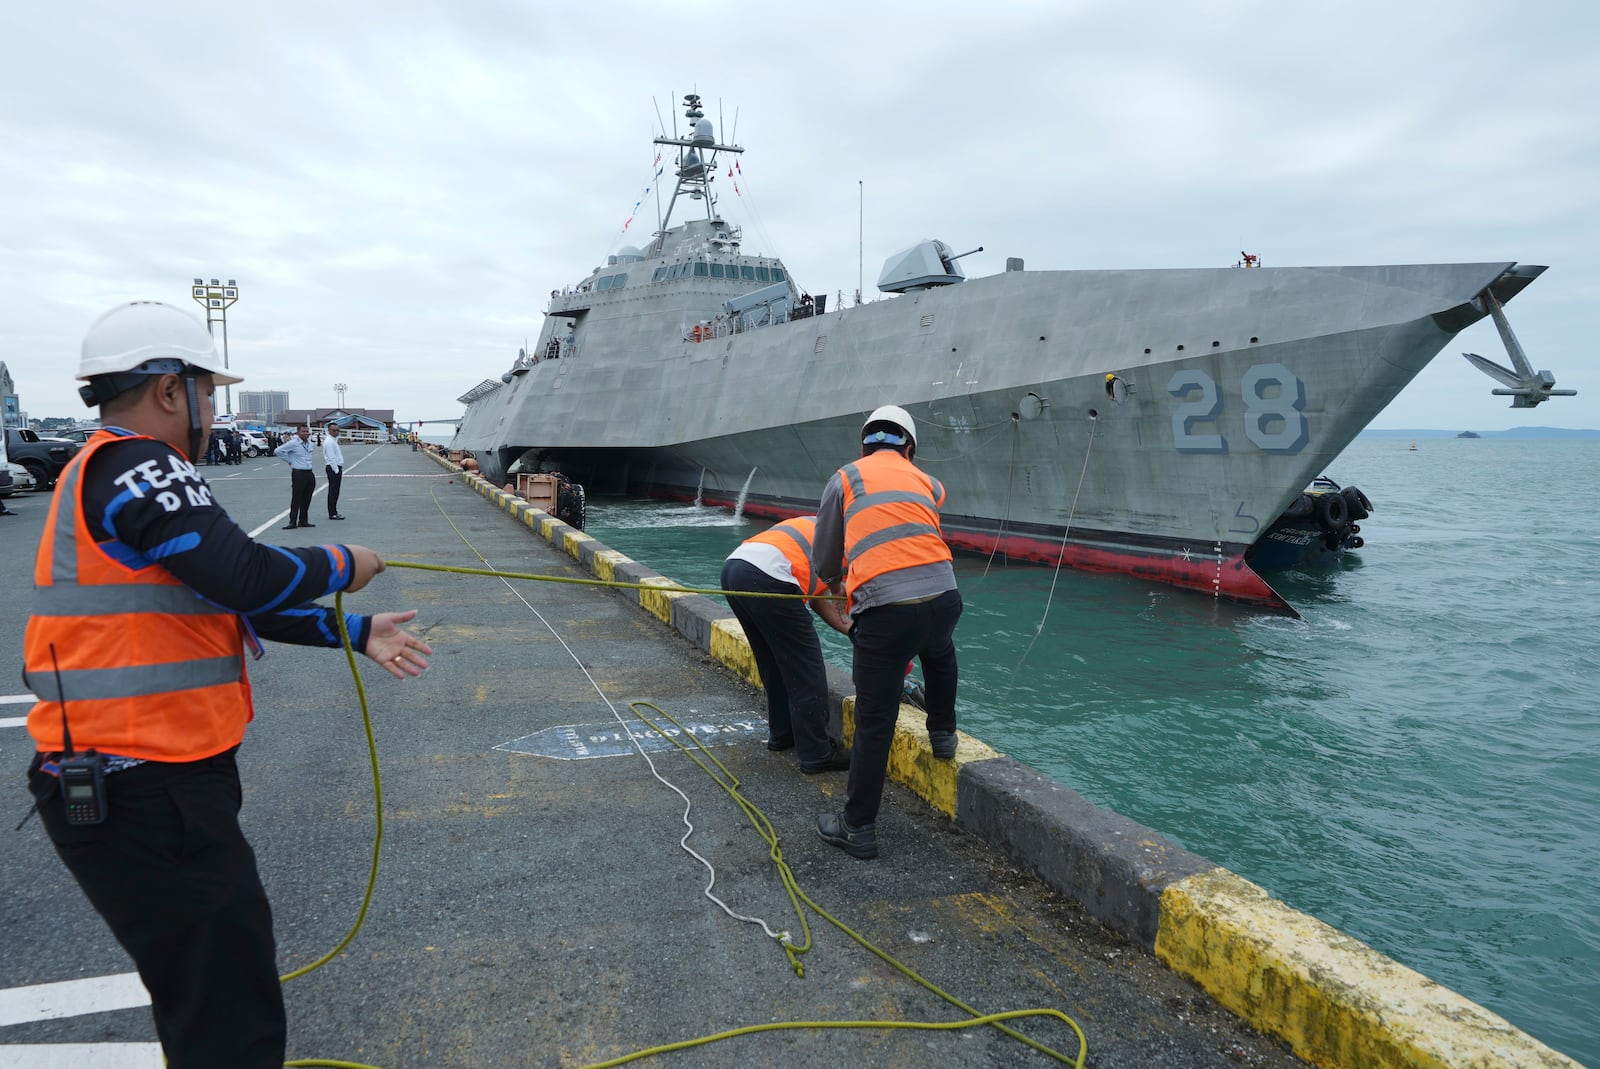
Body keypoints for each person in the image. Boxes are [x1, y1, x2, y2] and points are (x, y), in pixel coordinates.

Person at [21, 300, 432, 1069]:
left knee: (215, 990)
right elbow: (243, 573)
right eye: (205, 390)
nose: (210, 409)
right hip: (141, 784)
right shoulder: (141, 463)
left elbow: (219, 596)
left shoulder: (106, 469)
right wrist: (347, 562)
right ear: (171, 390)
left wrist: (353, 629)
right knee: (229, 1021)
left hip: (148, 780)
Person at [811, 405, 962, 860]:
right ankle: (943, 735)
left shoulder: (846, 478)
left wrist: (837, 583)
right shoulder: (929, 482)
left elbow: (825, 556)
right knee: (940, 654)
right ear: (910, 447)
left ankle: (856, 827)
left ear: (864, 445)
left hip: (884, 609)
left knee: (876, 722)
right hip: (943, 596)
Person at [720, 516, 852, 774]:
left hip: (735, 569)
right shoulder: (850, 542)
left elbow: (818, 599)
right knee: (806, 671)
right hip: (769, 578)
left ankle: (783, 735)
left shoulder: (814, 526)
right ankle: (817, 755)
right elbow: (837, 596)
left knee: (773, 662)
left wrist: (851, 630)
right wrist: (863, 633)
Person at [274, 424, 316, 529]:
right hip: (299, 473)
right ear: (298, 433)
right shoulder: (293, 443)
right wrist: (290, 461)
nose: (306, 433)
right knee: (297, 498)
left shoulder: (310, 443)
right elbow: (278, 451)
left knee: (307, 498)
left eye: (307, 431)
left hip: (309, 472)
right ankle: (292, 521)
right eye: (303, 431)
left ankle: (303, 520)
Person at [322, 423, 347, 520]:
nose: (336, 432)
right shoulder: (329, 442)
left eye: (337, 430)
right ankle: (332, 512)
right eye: (334, 430)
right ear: (329, 431)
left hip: (336, 467)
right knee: (333, 491)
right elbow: (331, 457)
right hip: (333, 468)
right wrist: (336, 470)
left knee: (335, 491)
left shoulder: (333, 441)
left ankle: (333, 511)